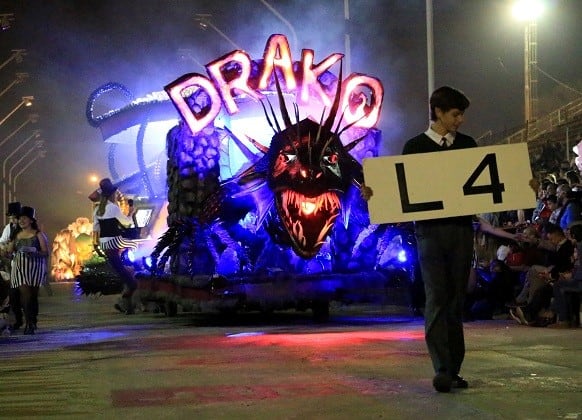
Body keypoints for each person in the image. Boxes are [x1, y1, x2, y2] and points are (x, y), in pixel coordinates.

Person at [361, 86, 476, 392]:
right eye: (455, 113)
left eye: (462, 114)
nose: (460, 120)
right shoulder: (415, 147)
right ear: (438, 112)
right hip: (429, 232)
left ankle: (453, 368)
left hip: (462, 230)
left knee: (455, 300)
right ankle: (442, 367)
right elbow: (401, 188)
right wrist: (374, 194)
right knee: (437, 297)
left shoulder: (468, 145)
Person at [92, 178, 138, 314]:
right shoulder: (113, 208)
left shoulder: (97, 210)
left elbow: (95, 228)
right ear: (112, 194)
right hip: (115, 243)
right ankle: (124, 301)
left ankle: (127, 305)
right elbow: (127, 223)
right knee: (131, 279)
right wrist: (131, 213)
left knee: (126, 272)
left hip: (105, 244)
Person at [5, 206, 49, 334]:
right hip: (19, 267)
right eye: (20, 218)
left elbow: (45, 252)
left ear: (31, 220)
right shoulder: (15, 235)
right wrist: (7, 251)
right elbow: (9, 253)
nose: (21, 220)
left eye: (24, 218)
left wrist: (34, 253)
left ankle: (32, 321)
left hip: (34, 267)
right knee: (25, 293)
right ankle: (28, 323)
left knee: (32, 296)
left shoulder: (38, 234)